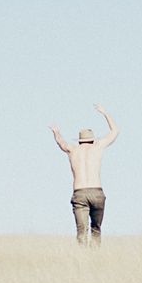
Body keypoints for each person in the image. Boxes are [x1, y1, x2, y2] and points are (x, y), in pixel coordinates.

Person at [50, 105, 119, 246]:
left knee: (81, 231)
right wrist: (105, 113)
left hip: (80, 192)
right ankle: (95, 257)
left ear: (79, 141)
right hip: (97, 192)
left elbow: (61, 143)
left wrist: (56, 132)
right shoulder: (98, 147)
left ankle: (82, 258)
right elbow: (115, 131)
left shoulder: (72, 150)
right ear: (92, 139)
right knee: (96, 229)